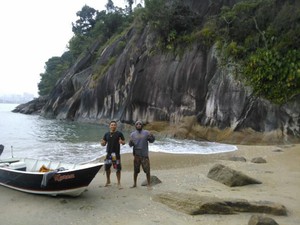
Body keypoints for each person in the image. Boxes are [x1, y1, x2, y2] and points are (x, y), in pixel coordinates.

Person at [129, 120, 155, 189]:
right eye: (137, 124)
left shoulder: (146, 133)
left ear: (142, 125)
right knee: (135, 171)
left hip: (144, 155)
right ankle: (134, 184)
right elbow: (130, 145)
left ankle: (149, 184)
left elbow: (152, 141)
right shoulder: (132, 134)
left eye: (140, 124)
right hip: (136, 155)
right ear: (135, 126)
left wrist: (152, 136)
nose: (138, 125)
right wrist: (131, 142)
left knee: (147, 170)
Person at [100, 120, 125, 188]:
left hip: (116, 154)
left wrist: (121, 141)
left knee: (118, 168)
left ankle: (119, 182)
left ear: (116, 126)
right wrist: (102, 143)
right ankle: (108, 181)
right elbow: (104, 143)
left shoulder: (119, 133)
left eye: (114, 125)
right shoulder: (106, 134)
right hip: (108, 154)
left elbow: (124, 142)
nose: (113, 126)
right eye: (112, 125)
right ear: (109, 126)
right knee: (107, 168)